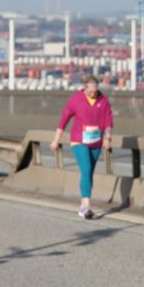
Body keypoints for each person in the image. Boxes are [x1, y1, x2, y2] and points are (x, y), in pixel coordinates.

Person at [50, 75, 113, 219]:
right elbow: (64, 120)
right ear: (85, 88)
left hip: (96, 141)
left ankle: (83, 204)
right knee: (86, 169)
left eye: (96, 90)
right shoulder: (75, 99)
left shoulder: (103, 100)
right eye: (90, 91)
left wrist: (107, 138)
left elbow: (108, 121)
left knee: (89, 173)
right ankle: (85, 206)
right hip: (79, 140)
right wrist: (56, 139)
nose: (93, 93)